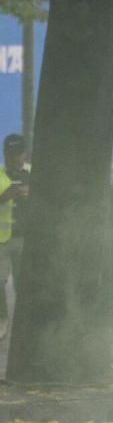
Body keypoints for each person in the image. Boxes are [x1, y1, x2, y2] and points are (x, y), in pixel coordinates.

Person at [0, 135, 27, 333]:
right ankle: (2, 319)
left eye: (18, 154)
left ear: (24, 154)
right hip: (2, 240)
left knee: (24, 280)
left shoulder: (34, 174)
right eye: (11, 155)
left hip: (26, 237)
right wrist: (5, 196)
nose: (15, 159)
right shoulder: (0, 176)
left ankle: (23, 321)